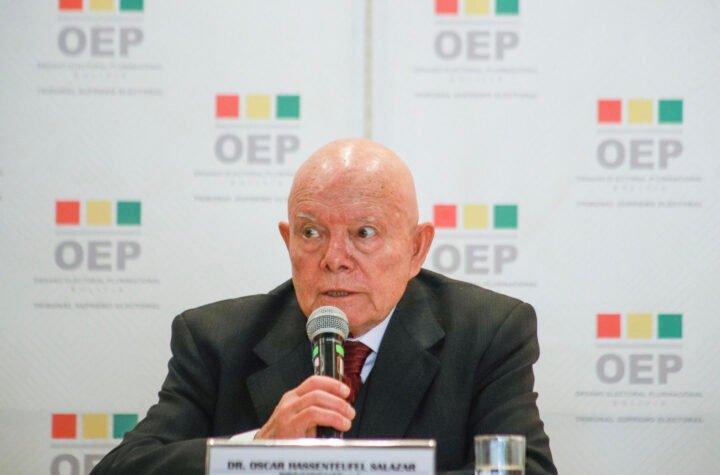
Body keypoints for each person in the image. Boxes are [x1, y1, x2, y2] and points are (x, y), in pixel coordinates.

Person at [91, 138, 557, 475]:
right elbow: (123, 468)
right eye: (311, 232)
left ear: (416, 249)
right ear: (288, 241)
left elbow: (524, 470)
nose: (334, 259)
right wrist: (257, 450)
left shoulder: (489, 333)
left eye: (364, 233)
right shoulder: (215, 339)